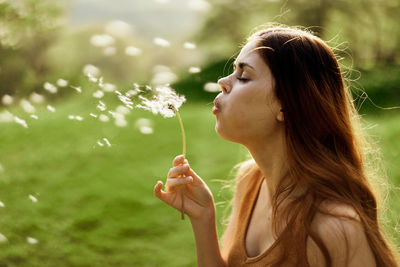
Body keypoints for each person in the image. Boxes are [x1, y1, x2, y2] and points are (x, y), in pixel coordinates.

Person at [153, 26, 399, 267]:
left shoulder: (335, 229)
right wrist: (203, 218)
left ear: (286, 106)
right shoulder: (250, 180)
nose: (222, 81)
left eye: (243, 76)